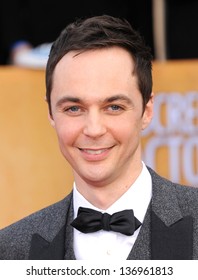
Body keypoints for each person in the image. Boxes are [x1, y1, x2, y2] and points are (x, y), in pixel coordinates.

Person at [0, 15, 198, 260]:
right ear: (51, 112)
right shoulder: (10, 251)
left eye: (113, 107)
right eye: (74, 108)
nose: (93, 129)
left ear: (147, 111)